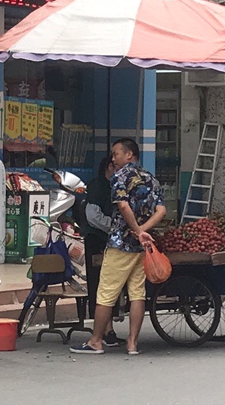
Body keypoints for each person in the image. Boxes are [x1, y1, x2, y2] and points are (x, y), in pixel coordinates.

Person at [71, 137, 166, 356]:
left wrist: (136, 229)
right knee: (137, 294)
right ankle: (132, 343)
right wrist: (144, 231)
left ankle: (96, 341)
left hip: (120, 244)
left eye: (116, 154)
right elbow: (161, 211)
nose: (113, 158)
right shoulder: (150, 178)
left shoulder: (119, 177)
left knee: (106, 293)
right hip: (141, 248)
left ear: (129, 155)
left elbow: (122, 205)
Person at [82, 156, 118, 347]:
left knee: (110, 284)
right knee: (99, 284)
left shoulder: (116, 186)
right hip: (97, 240)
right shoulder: (98, 185)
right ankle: (104, 330)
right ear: (109, 167)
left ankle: (108, 329)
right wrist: (113, 227)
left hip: (110, 241)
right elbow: (93, 215)